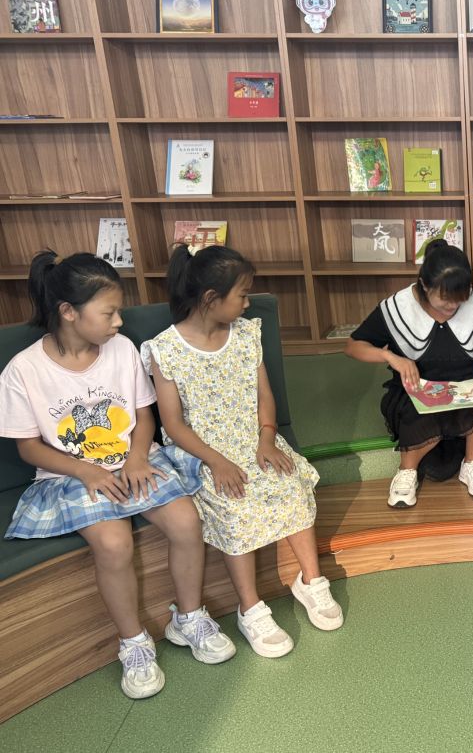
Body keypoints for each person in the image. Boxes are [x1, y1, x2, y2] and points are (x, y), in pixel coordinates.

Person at [0, 251, 235, 699]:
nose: (119, 322)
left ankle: (189, 618)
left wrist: (138, 457)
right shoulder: (23, 371)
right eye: (108, 313)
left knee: (186, 520)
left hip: (135, 459)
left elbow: (144, 416)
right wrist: (86, 470)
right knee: (112, 542)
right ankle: (133, 642)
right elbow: (29, 447)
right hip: (70, 474)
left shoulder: (122, 349)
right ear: (69, 312)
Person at [143, 245, 342, 659]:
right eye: (242, 294)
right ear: (210, 298)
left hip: (252, 439)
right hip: (203, 452)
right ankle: (250, 608)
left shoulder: (247, 334)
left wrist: (267, 438)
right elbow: (173, 424)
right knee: (235, 504)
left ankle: (311, 581)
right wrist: (217, 461)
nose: (248, 303)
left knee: (290, 484)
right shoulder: (165, 350)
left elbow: (264, 395)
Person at [345, 240, 473, 507]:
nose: (453, 305)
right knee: (416, 413)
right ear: (424, 285)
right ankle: (406, 472)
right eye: (445, 299)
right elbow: (353, 346)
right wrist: (391, 357)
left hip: (466, 387)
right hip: (417, 389)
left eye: (460, 298)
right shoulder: (398, 308)